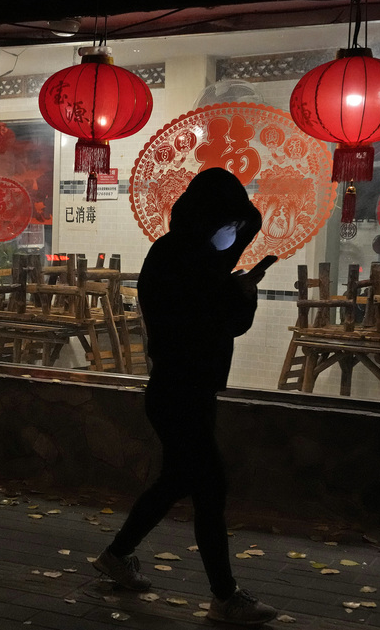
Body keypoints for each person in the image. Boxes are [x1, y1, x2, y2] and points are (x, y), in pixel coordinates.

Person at [94, 168, 277, 626]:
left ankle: (117, 555)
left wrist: (236, 287)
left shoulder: (182, 255)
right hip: (180, 393)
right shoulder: (186, 260)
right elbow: (219, 321)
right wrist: (241, 294)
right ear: (207, 218)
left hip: (180, 390)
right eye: (227, 223)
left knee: (177, 481)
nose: (231, 234)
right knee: (210, 488)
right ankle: (224, 596)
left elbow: (217, 311)